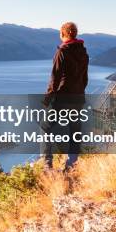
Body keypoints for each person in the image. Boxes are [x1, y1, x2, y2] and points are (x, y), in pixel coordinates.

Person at [42, 22, 89, 170]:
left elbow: (55, 78)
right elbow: (85, 78)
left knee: (45, 127)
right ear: (75, 34)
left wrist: (47, 98)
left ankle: (47, 165)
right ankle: (71, 165)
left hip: (62, 98)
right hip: (78, 98)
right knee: (75, 131)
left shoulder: (62, 52)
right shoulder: (84, 53)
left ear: (63, 34)